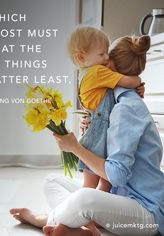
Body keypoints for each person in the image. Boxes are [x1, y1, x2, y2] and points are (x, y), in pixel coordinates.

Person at [10, 35, 164, 236]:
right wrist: (92, 129)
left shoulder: (127, 109)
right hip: (120, 197)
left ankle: (44, 219)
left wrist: (75, 147)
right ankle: (84, 229)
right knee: (52, 181)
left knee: (85, 198)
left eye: (104, 56)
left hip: (146, 216)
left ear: (108, 64)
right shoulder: (113, 103)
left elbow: (117, 175)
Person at [67, 26, 142, 192]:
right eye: (101, 54)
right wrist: (138, 79)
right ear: (82, 57)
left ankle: (95, 209)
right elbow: (129, 82)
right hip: (99, 133)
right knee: (93, 184)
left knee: (101, 182)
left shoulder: (84, 73)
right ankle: (81, 211)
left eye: (107, 52)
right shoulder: (97, 72)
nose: (107, 57)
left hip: (98, 129)